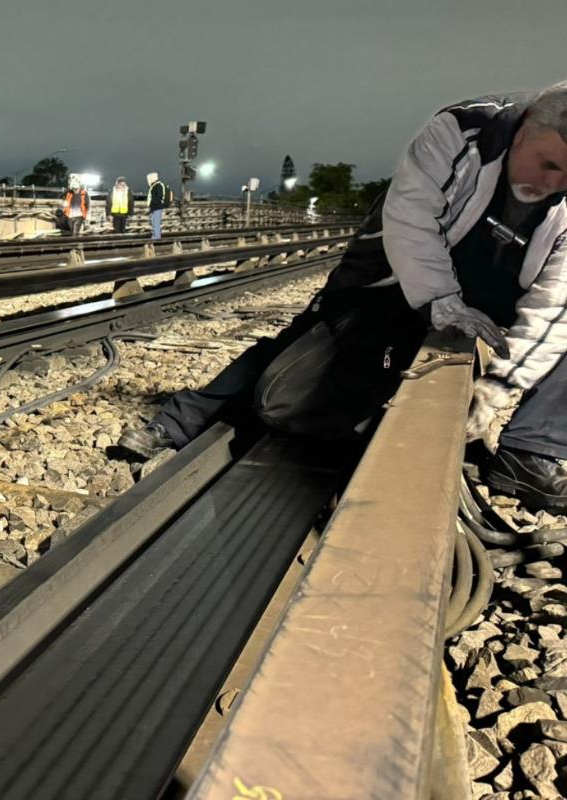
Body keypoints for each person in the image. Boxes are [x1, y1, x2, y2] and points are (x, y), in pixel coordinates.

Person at [118, 83, 567, 513]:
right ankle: (180, 421)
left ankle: (529, 454)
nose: (554, 182)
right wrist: (440, 300)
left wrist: (501, 385)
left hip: (502, 282)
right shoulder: (463, 130)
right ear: (523, 126)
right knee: (316, 338)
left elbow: (557, 302)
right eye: (547, 162)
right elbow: (410, 217)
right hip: (402, 260)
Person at [147, 173, 171, 240]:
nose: (148, 180)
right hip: (154, 207)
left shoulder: (158, 186)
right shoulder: (155, 185)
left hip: (157, 207)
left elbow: (159, 197)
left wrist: (153, 203)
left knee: (156, 223)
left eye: (149, 178)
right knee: (154, 222)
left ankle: (156, 237)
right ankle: (155, 236)